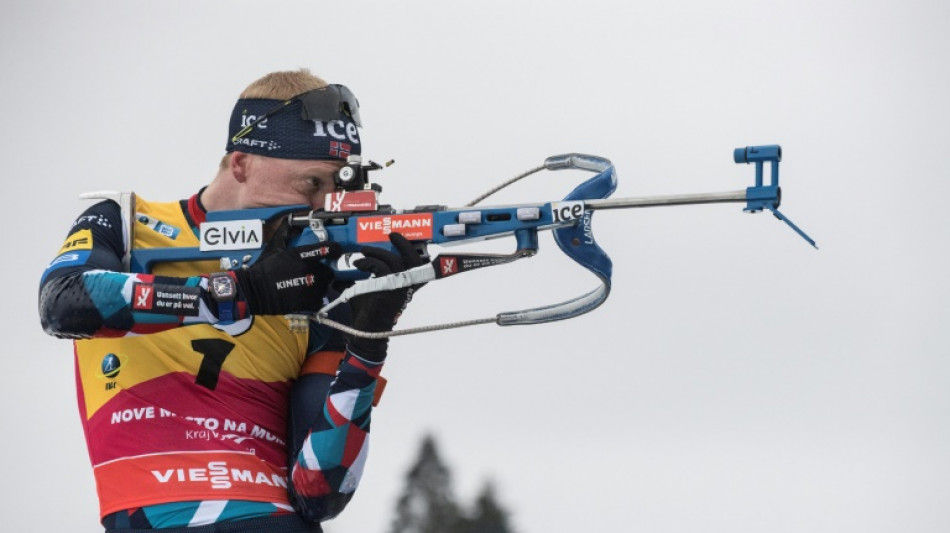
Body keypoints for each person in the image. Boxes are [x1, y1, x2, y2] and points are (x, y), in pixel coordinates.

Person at [38, 69, 423, 532]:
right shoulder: (128, 223)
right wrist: (237, 294)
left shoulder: (322, 285)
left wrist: (368, 345)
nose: (322, 206)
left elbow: (321, 491)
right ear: (241, 164)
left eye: (336, 191)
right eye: (309, 185)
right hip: (156, 513)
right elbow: (63, 303)